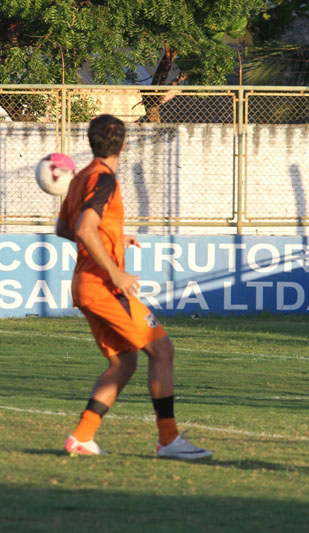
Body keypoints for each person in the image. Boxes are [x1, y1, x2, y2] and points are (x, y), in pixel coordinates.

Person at [55, 115, 210, 459]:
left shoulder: (81, 177)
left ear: (91, 141)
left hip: (84, 284)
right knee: (162, 350)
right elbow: (82, 230)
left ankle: (82, 437)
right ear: (123, 144)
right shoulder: (105, 179)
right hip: (102, 285)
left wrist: (113, 237)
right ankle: (168, 440)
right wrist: (115, 272)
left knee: (123, 363)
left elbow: (64, 228)